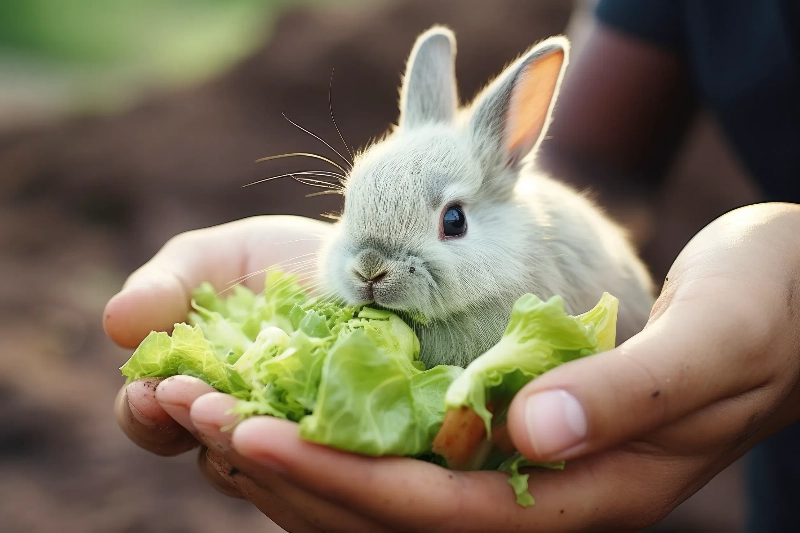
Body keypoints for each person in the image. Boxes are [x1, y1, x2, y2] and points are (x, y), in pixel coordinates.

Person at [107, 1, 800, 531]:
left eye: (450, 224)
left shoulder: (521, 255)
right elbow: (597, 157)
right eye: (353, 220)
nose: (374, 270)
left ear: (482, 203)